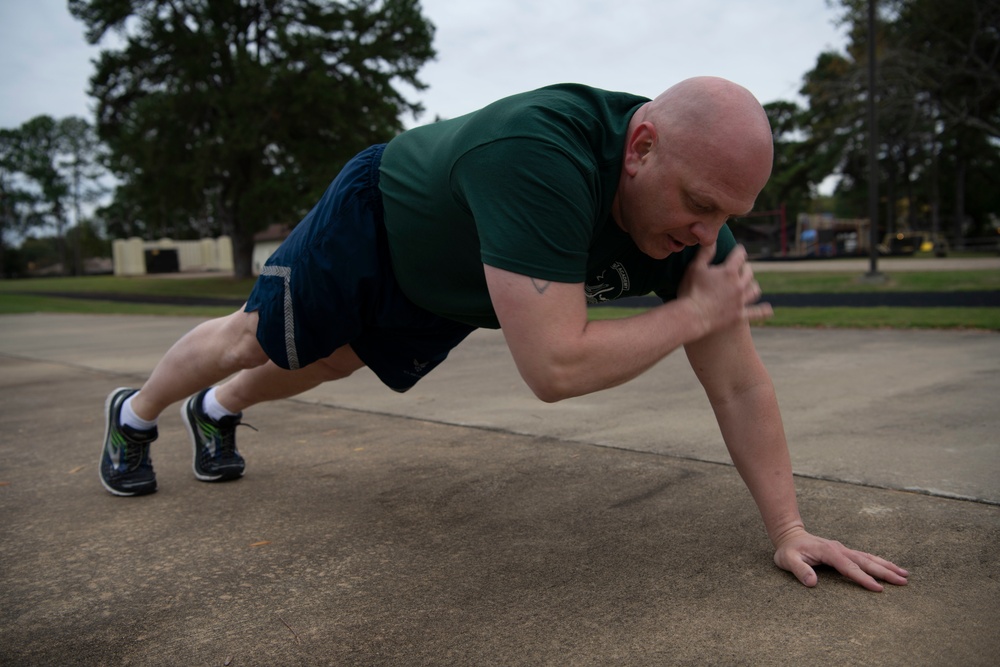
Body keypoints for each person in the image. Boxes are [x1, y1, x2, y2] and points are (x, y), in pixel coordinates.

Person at [99, 77, 909, 592]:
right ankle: (135, 416)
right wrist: (692, 313)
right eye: (700, 203)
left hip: (453, 285)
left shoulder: (695, 227)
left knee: (332, 361)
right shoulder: (543, 155)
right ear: (641, 147)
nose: (709, 235)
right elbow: (554, 367)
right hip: (380, 217)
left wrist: (790, 529)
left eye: (729, 216)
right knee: (257, 338)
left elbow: (737, 381)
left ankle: (213, 409)